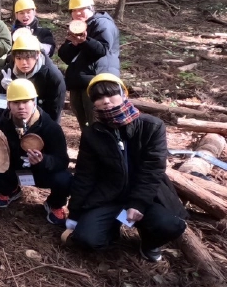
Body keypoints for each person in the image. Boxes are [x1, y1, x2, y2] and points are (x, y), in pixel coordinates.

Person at [66, 74, 187, 262]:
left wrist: (138, 203)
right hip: (108, 196)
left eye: (111, 94)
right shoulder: (92, 133)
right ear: (94, 103)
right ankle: (111, 229)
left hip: (147, 196)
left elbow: (152, 170)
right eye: (98, 97)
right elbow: (85, 174)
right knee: (86, 239)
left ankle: (149, 243)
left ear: (124, 95)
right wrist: (74, 212)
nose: (106, 101)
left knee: (171, 225)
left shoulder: (152, 127)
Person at [0, 80, 72, 224]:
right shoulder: (2, 124)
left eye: (26, 102)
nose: (21, 107)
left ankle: (54, 203)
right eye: (15, 102)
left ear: (34, 102)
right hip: (13, 171)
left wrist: (43, 160)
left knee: (65, 179)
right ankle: (10, 190)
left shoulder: (50, 127)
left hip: (40, 173)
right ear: (8, 104)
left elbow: (62, 160)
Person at [57, 0, 120, 134]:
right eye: (74, 10)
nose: (78, 13)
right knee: (84, 125)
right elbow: (64, 56)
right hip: (79, 81)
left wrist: (85, 41)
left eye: (81, 9)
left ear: (91, 8)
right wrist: (73, 44)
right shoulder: (78, 27)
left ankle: (103, 153)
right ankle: (88, 151)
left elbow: (102, 49)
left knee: (98, 123)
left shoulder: (102, 23)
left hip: (97, 81)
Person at [0, 34, 66, 122]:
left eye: (28, 58)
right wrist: (7, 91)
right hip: (13, 121)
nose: (23, 63)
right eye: (19, 58)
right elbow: (0, 105)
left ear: (37, 55)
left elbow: (55, 110)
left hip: (42, 121)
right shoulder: (7, 72)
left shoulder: (52, 76)